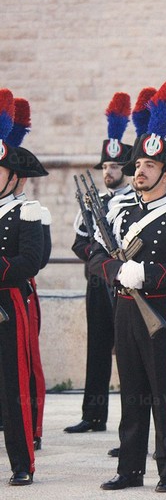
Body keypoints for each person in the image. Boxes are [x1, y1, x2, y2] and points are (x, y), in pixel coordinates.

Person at [92, 81, 166, 493]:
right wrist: (114, 272)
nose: (140, 171)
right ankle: (130, 467)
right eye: (138, 165)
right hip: (125, 307)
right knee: (131, 391)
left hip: (161, 311)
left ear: (165, 173)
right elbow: (97, 254)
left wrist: (147, 274)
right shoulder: (118, 211)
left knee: (165, 396)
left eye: (150, 166)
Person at [67, 92, 135, 436]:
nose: (108, 172)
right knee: (97, 348)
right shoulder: (93, 203)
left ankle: (130, 423)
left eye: (114, 166)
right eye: (105, 166)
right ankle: (93, 416)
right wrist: (96, 255)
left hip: (122, 283)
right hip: (97, 282)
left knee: (126, 355)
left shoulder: (132, 203)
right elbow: (78, 242)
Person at [0, 88, 44, 486]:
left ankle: (22, 462)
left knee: (14, 386)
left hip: (9, 304)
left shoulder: (27, 211)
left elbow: (33, 260)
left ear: (14, 177)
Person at [5, 97, 51, 452]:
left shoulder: (32, 211)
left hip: (17, 295)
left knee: (22, 370)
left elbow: (36, 258)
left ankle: (27, 439)